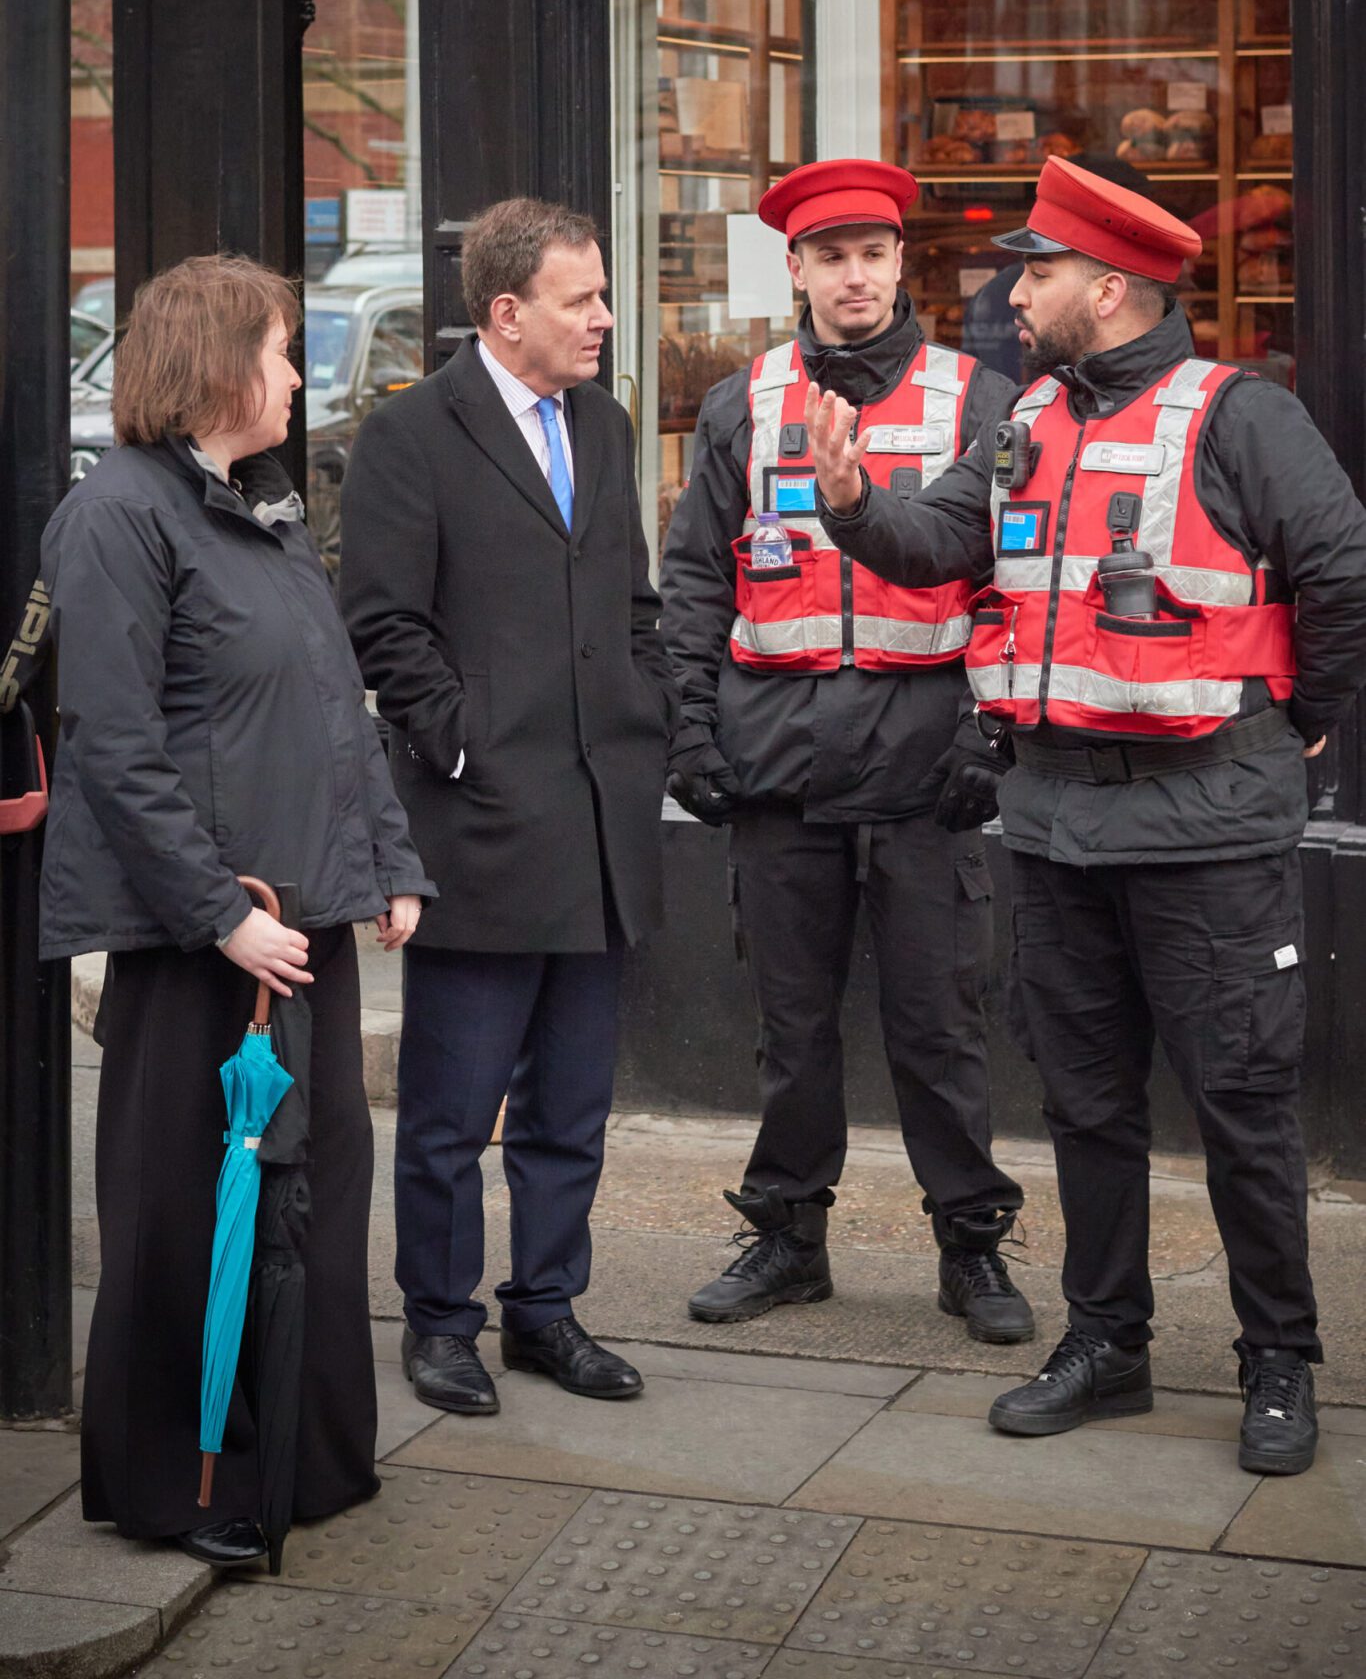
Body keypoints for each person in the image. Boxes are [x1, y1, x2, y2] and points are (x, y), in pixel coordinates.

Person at [805, 154, 1366, 1477]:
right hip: (1054, 826)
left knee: (1238, 1106)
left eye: (1034, 271)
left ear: (1105, 288)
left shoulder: (1238, 414)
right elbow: (943, 545)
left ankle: (1275, 1360)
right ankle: (1105, 1342)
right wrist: (850, 507)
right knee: (1085, 1105)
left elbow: (1339, 569)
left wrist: (1296, 716)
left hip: (1205, 830)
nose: (1011, 289)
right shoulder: (1023, 420)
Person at [39, 254, 431, 1565]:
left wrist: (389, 865)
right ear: (217, 366)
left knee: (306, 1201)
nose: (296, 375)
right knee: (185, 1215)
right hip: (202, 945)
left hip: (297, 927)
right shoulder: (118, 518)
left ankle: (297, 1464)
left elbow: (333, 708)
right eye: (280, 349)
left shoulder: (259, 507)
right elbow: (114, 745)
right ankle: (182, 1483)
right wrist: (220, 916)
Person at [661, 158, 1034, 1342]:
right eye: (832, 256)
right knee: (791, 1020)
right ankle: (786, 1236)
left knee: (939, 1021)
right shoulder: (742, 401)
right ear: (798, 269)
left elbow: (1014, 576)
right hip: (779, 758)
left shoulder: (981, 399)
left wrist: (990, 726)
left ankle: (971, 1248)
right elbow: (688, 579)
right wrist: (689, 724)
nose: (855, 276)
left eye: (873, 253)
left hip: (925, 758)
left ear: (900, 263)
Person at [340, 197, 674, 1416]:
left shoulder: (606, 421)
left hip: (600, 824)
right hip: (477, 827)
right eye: (581, 298)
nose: (601, 317)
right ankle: (441, 1322)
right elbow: (382, 620)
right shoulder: (410, 436)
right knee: (447, 1111)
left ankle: (547, 1311)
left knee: (571, 1105)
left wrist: (653, 715)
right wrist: (464, 741)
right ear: (505, 311)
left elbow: (632, 602)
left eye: (599, 294)